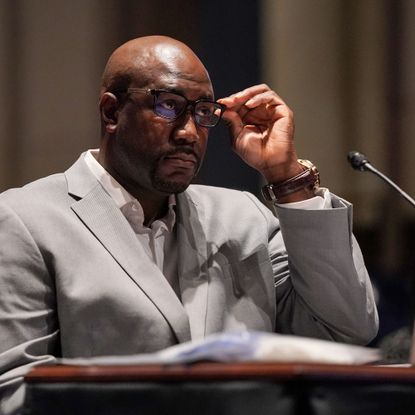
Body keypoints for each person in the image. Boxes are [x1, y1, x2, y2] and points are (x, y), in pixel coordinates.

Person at [0, 35, 378, 414]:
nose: (189, 133)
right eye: (168, 106)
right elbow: (17, 393)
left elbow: (344, 329)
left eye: (202, 113)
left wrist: (287, 178)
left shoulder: (244, 218)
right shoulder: (25, 220)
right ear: (111, 112)